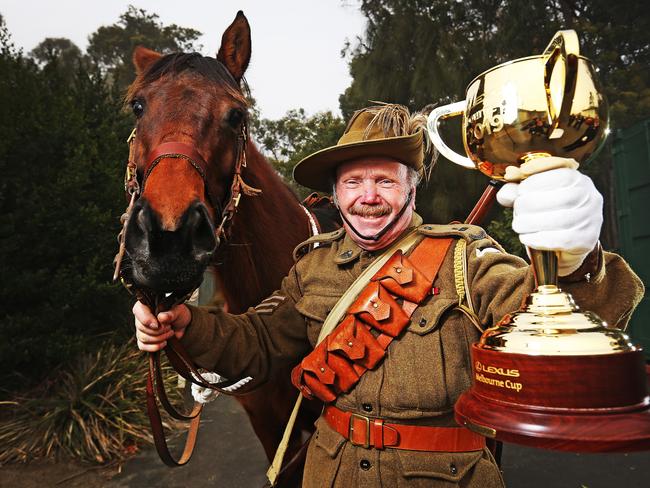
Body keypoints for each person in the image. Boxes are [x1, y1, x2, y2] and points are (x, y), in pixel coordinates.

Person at [133, 104, 644, 487]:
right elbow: (260, 340)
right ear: (336, 194)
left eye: (384, 179)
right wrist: (187, 323)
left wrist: (575, 262)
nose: (368, 195)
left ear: (412, 190)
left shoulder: (467, 260)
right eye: (353, 181)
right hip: (330, 474)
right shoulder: (312, 265)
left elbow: (556, 320)